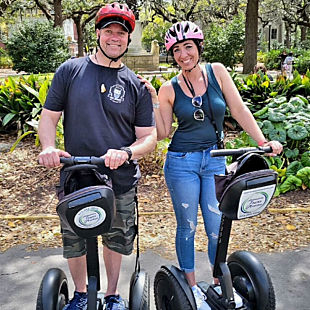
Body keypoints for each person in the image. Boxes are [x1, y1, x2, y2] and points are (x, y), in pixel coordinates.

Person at [141, 21, 283, 310]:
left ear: (199, 48)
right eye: (177, 50)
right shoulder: (169, 88)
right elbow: (165, 132)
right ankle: (191, 290)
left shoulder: (217, 72)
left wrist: (262, 142)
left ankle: (220, 285)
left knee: (217, 226)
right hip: (182, 162)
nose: (183, 55)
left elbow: (239, 109)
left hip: (215, 159)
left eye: (188, 47)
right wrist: (155, 101)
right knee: (188, 226)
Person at [37, 3, 157, 310]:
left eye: (121, 33)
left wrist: (127, 151)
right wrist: (49, 147)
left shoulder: (137, 86)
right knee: (75, 241)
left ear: (128, 39)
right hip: (77, 175)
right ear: (98, 33)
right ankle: (80, 295)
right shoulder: (70, 71)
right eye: (109, 31)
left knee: (115, 239)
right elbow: (49, 118)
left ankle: (113, 296)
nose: (114, 38)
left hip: (119, 178)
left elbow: (149, 138)